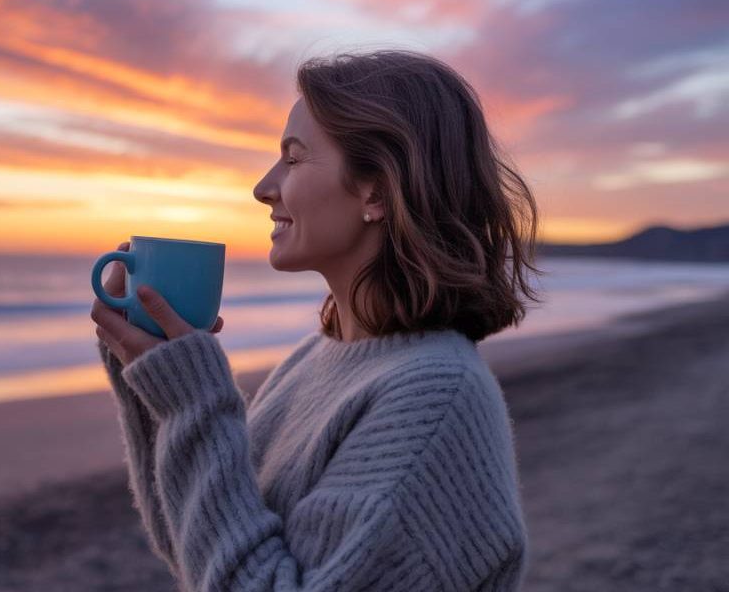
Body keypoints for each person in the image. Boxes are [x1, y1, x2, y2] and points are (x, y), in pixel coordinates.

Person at [91, 48, 542, 591]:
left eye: (294, 157)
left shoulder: (436, 396)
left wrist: (197, 404)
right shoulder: (316, 358)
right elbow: (200, 548)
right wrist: (151, 380)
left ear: (376, 188)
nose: (263, 187)